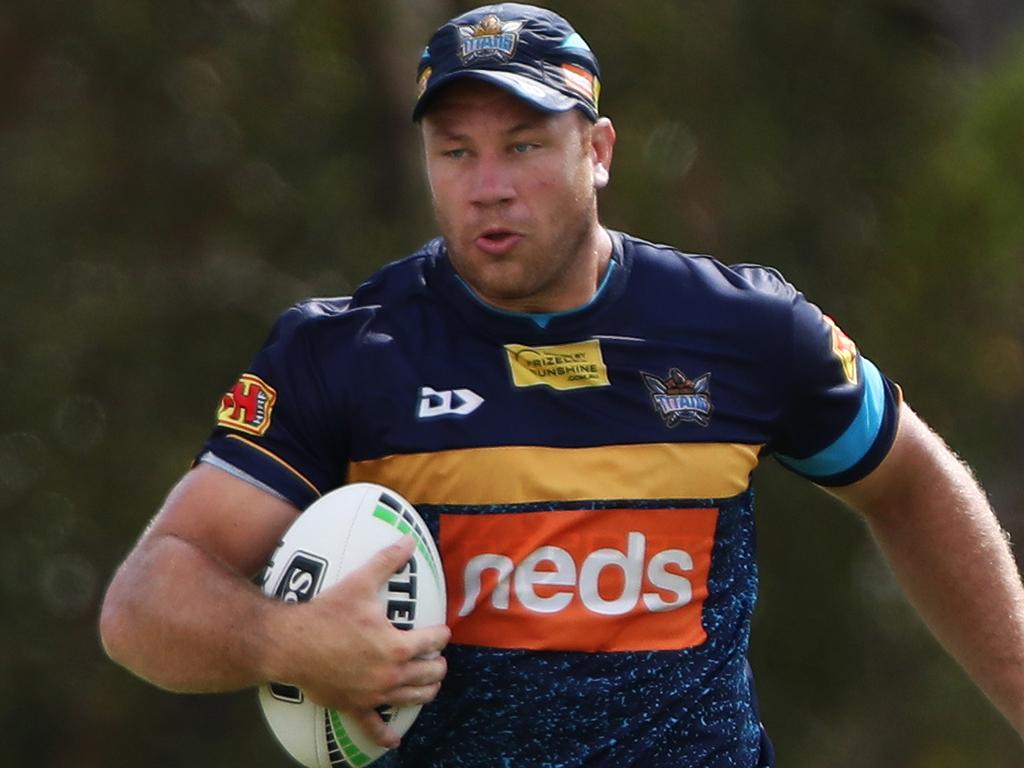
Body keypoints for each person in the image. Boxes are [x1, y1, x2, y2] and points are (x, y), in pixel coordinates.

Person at [100, 3, 1024, 766]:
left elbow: (911, 486)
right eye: (455, 152)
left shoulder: (744, 331)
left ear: (601, 151)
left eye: (526, 146)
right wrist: (287, 643)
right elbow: (144, 603)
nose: (488, 186)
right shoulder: (343, 354)